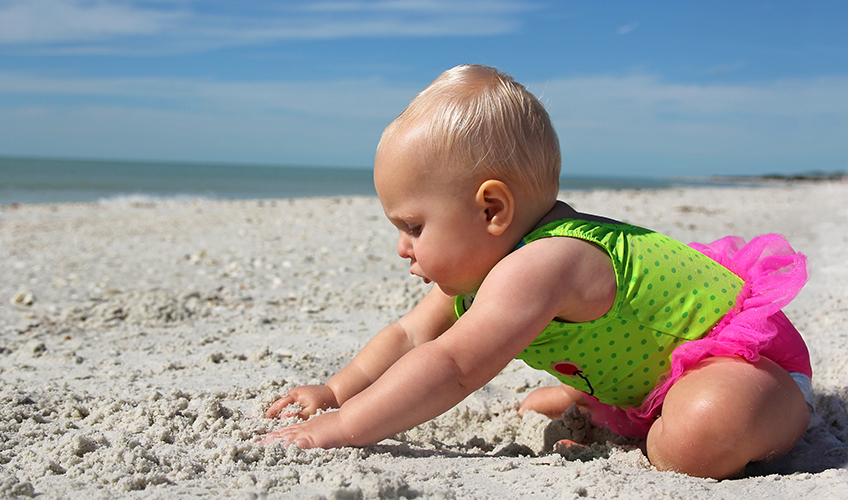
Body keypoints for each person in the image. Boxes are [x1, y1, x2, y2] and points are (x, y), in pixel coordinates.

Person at [262, 64, 814, 479]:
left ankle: (643, 424)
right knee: (674, 415)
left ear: (491, 210)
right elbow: (410, 336)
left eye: (413, 226)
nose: (402, 248)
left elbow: (453, 365)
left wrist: (341, 430)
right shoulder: (482, 271)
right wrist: (336, 392)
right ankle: (615, 406)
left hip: (750, 368)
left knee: (700, 433)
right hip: (659, 377)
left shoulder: (549, 260)